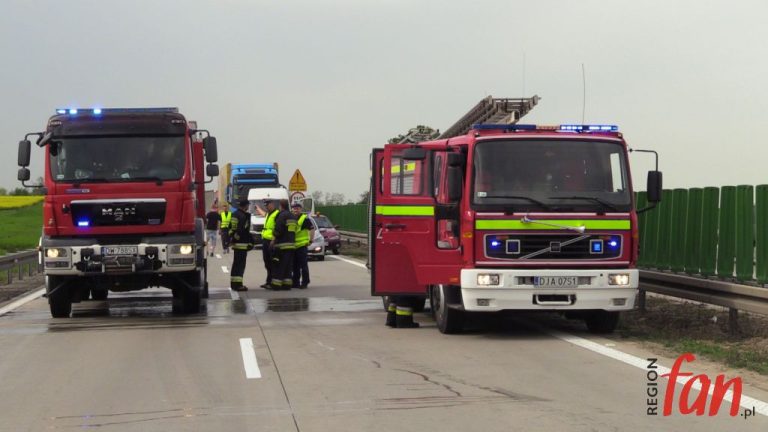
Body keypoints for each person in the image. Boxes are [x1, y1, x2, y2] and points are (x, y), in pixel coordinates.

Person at [268, 199, 297, 290]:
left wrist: (273, 238)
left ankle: (276, 284)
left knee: (279, 265)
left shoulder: (281, 216)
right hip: (291, 244)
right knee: (288, 266)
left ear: (281, 206)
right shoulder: (292, 216)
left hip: (282, 245)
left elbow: (278, 230)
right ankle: (287, 284)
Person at [228, 200, 253, 291]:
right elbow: (244, 231)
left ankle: (234, 284)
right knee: (240, 265)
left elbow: (231, 229)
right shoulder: (244, 216)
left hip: (237, 244)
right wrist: (250, 242)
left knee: (236, 264)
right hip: (242, 244)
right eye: (247, 205)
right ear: (245, 206)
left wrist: (233, 239)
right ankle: (238, 285)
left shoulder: (234, 214)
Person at [291, 202, 314, 288]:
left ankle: (305, 282)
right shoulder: (291, 218)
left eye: (297, 208)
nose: (295, 210)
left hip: (302, 245)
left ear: (300, 209)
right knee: (295, 266)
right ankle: (295, 282)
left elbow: (312, 229)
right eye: (294, 208)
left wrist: (311, 240)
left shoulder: (304, 219)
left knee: (303, 265)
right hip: (293, 246)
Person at [260, 199, 280, 289]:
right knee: (267, 262)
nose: (266, 207)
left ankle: (272, 282)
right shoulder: (268, 214)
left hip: (271, 241)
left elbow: (278, 228)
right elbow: (263, 214)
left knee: (272, 262)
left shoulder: (277, 214)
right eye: (265, 206)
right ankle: (268, 281)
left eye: (267, 205)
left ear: (272, 204)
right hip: (265, 240)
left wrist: (274, 239)